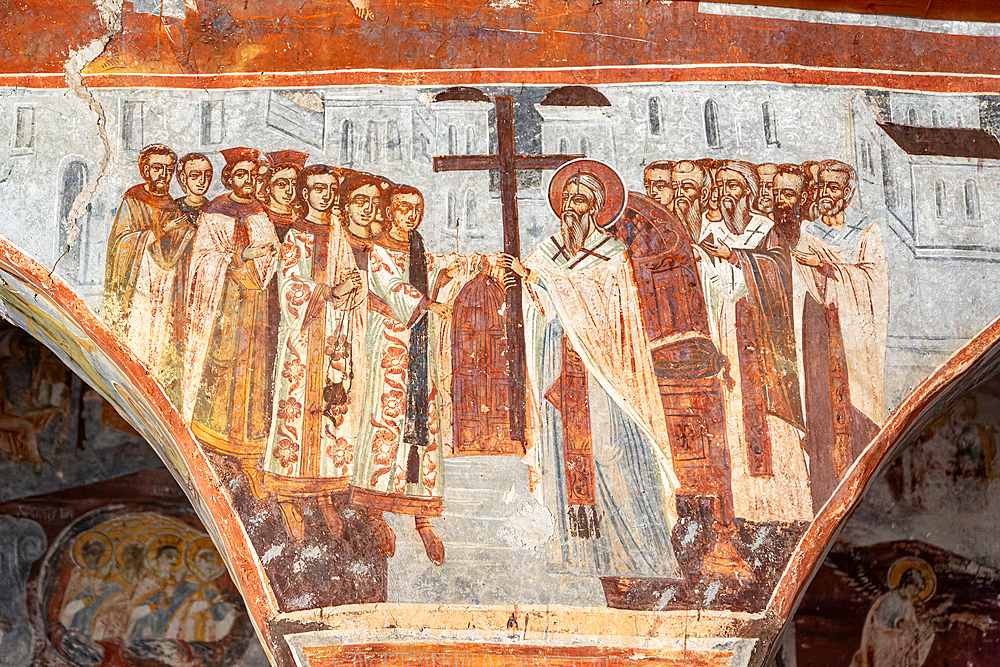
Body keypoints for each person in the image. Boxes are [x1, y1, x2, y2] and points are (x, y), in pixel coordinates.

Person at [503, 159, 681, 600]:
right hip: (559, 370)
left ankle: (635, 554)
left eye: (580, 201)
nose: (571, 208)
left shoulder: (613, 256)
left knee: (609, 454)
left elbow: (606, 312)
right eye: (566, 200)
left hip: (604, 373)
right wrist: (528, 284)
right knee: (565, 458)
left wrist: (545, 282)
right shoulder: (547, 251)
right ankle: (581, 552)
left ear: (597, 207)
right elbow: (539, 302)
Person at [351, 185, 458, 566]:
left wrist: (446, 277)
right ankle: (374, 511)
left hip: (420, 345)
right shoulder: (377, 248)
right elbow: (393, 288)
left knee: (423, 421)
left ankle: (423, 517)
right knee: (386, 417)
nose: (410, 216)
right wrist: (428, 301)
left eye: (417, 208)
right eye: (403, 208)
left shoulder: (419, 250)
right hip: (390, 345)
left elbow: (432, 280)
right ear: (390, 211)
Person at [702, 163, 812, 522]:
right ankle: (741, 509)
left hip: (763, 340)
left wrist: (734, 257)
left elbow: (780, 270)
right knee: (731, 416)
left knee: (771, 424)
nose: (726, 192)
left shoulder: (766, 230)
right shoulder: (709, 231)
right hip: (725, 336)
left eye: (734, 185)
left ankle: (784, 507)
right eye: (721, 186)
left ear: (749, 191)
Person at [264, 164, 363, 540]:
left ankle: (323, 491)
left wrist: (352, 288)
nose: (325, 194)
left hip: (333, 339)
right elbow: (288, 287)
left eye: (330, 189)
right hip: (303, 341)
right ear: (306, 194)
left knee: (332, 414)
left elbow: (353, 284)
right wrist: (328, 292)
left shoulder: (339, 235)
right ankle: (288, 492)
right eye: (318, 188)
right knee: (295, 409)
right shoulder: (297, 236)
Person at [183, 147, 279, 499]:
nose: (248, 181)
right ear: (230, 178)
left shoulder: (260, 213)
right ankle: (213, 448)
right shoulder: (214, 212)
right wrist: (240, 255)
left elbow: (273, 256)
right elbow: (202, 260)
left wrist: (264, 257)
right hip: (223, 309)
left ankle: (249, 454)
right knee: (221, 372)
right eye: (241, 175)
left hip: (255, 309)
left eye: (253, 176)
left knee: (253, 378)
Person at [792, 159, 888, 509]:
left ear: (847, 194)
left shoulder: (867, 231)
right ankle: (824, 495)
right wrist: (817, 271)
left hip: (854, 339)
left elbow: (874, 281)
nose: (825, 194)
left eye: (833, 187)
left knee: (856, 415)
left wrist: (829, 268)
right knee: (821, 412)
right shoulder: (809, 232)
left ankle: (863, 496)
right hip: (821, 330)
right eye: (821, 187)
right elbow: (802, 281)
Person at [104, 144, 193, 381]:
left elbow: (177, 247)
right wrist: (162, 230)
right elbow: (120, 243)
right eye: (157, 168)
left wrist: (186, 233)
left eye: (169, 169)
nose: (163, 175)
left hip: (164, 286)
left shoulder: (172, 205)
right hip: (138, 284)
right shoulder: (133, 201)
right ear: (145, 170)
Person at [850, 562, 937, 667]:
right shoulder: (891, 598)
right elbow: (880, 621)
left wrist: (917, 629)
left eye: (917, 590)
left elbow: (912, 622)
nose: (915, 592)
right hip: (884, 643)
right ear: (905, 584)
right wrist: (899, 623)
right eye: (914, 588)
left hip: (898, 645)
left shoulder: (908, 603)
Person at [263, 150, 309, 244]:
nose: (289, 191)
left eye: (294, 184)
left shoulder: (302, 218)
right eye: (281, 184)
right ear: (269, 186)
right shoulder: (260, 217)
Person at [670, 159, 711, 242]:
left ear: (704, 194)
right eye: (675, 187)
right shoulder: (667, 226)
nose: (679, 193)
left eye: (687, 187)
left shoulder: (714, 225)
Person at [174, 153, 213, 226]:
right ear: (183, 178)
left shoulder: (213, 209)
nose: (202, 181)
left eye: (207, 175)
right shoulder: (173, 208)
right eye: (195, 175)